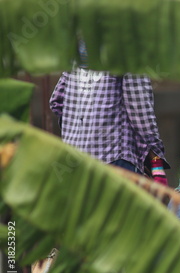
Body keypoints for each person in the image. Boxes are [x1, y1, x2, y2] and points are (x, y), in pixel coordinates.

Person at [49, 39, 169, 184]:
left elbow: (56, 101)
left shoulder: (77, 57)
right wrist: (155, 156)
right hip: (115, 160)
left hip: (76, 164)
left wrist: (76, 131)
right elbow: (139, 112)